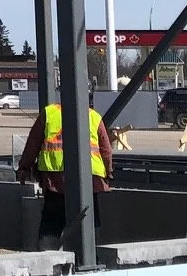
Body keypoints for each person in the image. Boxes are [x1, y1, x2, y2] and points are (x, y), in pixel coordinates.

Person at [16, 96, 114, 248]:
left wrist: (24, 168)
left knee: (52, 225)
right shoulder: (94, 116)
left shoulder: (49, 114)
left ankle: (48, 260)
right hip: (88, 180)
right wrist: (108, 173)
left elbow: (32, 144)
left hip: (56, 180)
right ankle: (92, 256)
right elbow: (106, 149)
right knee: (90, 223)